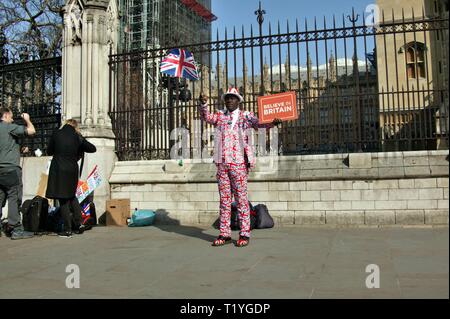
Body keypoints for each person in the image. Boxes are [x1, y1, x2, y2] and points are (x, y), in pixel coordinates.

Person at [198, 87, 281, 247]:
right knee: (224, 200)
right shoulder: (220, 115)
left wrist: (272, 122)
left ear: (238, 101)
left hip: (239, 163)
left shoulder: (246, 116)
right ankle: (225, 233)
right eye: (227, 98)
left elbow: (260, 124)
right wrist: (203, 104)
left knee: (241, 199)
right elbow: (206, 117)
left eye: (232, 98)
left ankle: (244, 233)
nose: (229, 100)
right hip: (222, 163)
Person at [45, 119, 97, 238]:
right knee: (72, 196)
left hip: (59, 169)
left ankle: (68, 230)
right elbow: (92, 148)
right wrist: (80, 141)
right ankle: (78, 224)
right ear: (75, 127)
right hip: (72, 170)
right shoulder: (77, 136)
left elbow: (49, 150)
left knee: (63, 199)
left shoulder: (56, 133)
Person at [0, 107, 36, 240]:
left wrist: (18, 149)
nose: (13, 118)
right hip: (10, 169)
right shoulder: (9, 127)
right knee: (14, 198)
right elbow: (31, 131)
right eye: (11, 116)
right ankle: (16, 229)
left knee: (0, 197)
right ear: (6, 115)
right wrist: (27, 119)